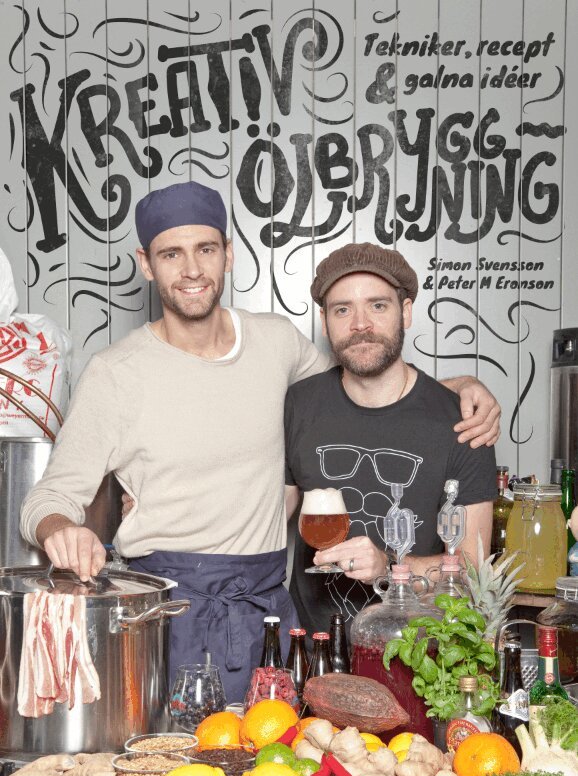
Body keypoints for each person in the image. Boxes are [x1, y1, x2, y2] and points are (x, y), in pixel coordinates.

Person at [20, 181, 499, 702]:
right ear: (146, 264)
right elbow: (47, 499)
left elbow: (364, 378)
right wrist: (61, 529)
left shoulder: (276, 343)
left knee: (276, 748)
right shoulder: (115, 373)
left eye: (206, 249)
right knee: (174, 747)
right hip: (168, 611)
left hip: (267, 610)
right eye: (171, 254)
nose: (192, 270)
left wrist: (454, 390)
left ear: (228, 255)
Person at [284, 242, 496, 637]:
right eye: (342, 310)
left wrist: (390, 568)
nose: (360, 324)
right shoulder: (298, 404)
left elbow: (472, 570)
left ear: (407, 311)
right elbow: (266, 517)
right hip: (311, 652)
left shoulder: (465, 422)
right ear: (324, 321)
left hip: (418, 654)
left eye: (378, 306)